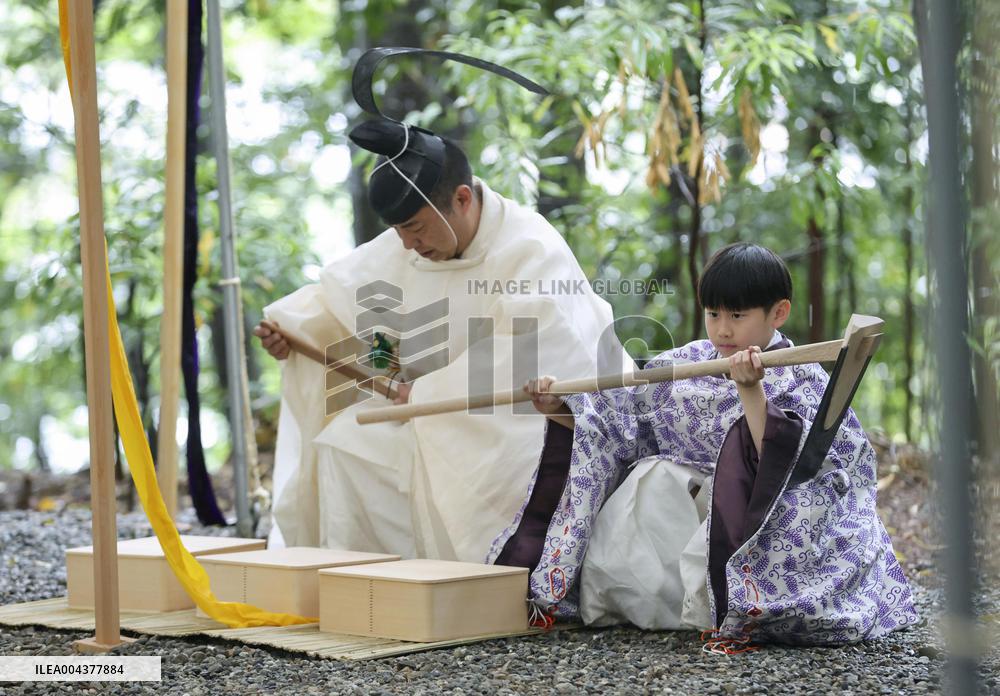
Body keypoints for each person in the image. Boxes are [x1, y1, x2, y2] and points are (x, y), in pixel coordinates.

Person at [254, 48, 625, 562]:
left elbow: (530, 359)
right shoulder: (401, 249)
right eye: (397, 231)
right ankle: (363, 587)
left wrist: (427, 394)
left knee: (476, 458)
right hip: (429, 411)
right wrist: (295, 334)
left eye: (415, 227)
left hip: (527, 420)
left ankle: (474, 584)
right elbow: (364, 323)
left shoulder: (530, 249)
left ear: (463, 200)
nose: (408, 245)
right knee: (345, 444)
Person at [496, 242, 918, 645]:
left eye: (737, 315)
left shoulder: (802, 377)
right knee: (653, 475)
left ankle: (726, 604)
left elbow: (786, 471)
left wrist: (751, 390)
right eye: (713, 314)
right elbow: (613, 423)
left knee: (734, 499)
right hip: (681, 514)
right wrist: (558, 407)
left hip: (756, 522)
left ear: (779, 313)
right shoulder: (685, 365)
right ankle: (650, 601)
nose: (722, 329)